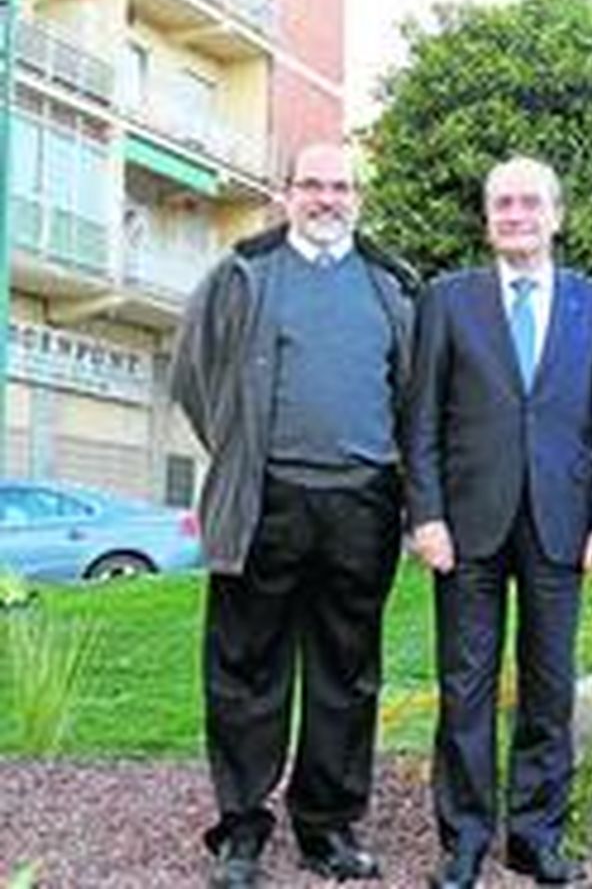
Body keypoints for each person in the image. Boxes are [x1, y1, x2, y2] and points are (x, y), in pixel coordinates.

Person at [172, 142, 418, 889]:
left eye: (340, 187)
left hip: (364, 503)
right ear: (286, 194)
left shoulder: (391, 286)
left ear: (358, 198)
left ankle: (327, 828)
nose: (326, 199)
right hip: (266, 500)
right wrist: (242, 451)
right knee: (246, 668)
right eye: (312, 184)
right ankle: (242, 829)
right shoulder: (242, 275)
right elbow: (193, 377)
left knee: (347, 673)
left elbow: (411, 396)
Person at [405, 157, 592, 889]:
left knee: (549, 688)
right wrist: (426, 515)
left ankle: (535, 839)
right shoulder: (446, 301)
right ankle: (465, 841)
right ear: (487, 217)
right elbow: (421, 421)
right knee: (464, 688)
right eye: (502, 203)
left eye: (530, 203)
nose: (516, 215)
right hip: (466, 526)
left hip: (561, 523)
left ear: (556, 216)